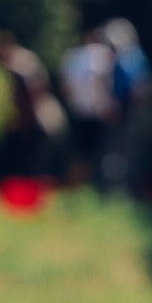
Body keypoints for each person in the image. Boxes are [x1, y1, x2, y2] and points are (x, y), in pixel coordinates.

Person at [0, 33, 66, 183]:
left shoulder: (19, 64)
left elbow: (35, 90)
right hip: (25, 114)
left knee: (40, 155)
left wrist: (23, 116)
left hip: (39, 112)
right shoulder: (11, 64)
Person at [100, 19, 152, 195]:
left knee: (128, 150)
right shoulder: (135, 55)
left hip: (129, 112)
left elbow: (136, 88)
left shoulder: (128, 56)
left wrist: (120, 108)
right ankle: (129, 187)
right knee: (128, 150)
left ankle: (131, 189)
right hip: (132, 112)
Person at [58, 30, 117, 186]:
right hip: (96, 112)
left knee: (78, 151)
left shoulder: (72, 57)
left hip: (76, 111)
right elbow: (99, 85)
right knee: (96, 152)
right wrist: (104, 106)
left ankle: (76, 185)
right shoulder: (102, 55)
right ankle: (87, 186)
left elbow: (64, 87)